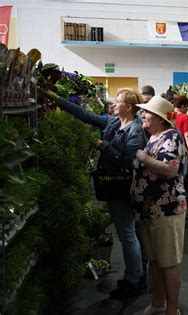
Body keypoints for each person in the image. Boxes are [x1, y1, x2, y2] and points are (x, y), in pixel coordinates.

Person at [43, 88, 147, 299]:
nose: (113, 104)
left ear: (128, 106)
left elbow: (129, 163)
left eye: (117, 101)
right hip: (114, 185)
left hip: (122, 187)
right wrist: (56, 99)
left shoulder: (135, 130)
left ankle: (134, 280)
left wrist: (104, 146)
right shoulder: (113, 122)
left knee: (127, 234)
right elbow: (84, 115)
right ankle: (139, 273)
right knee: (132, 232)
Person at [131, 95, 187, 315]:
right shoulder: (154, 137)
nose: (142, 115)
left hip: (166, 209)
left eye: (147, 113)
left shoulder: (171, 137)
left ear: (159, 118)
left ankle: (171, 310)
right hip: (149, 209)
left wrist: (143, 158)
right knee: (155, 261)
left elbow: (171, 169)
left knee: (168, 262)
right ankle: (157, 303)